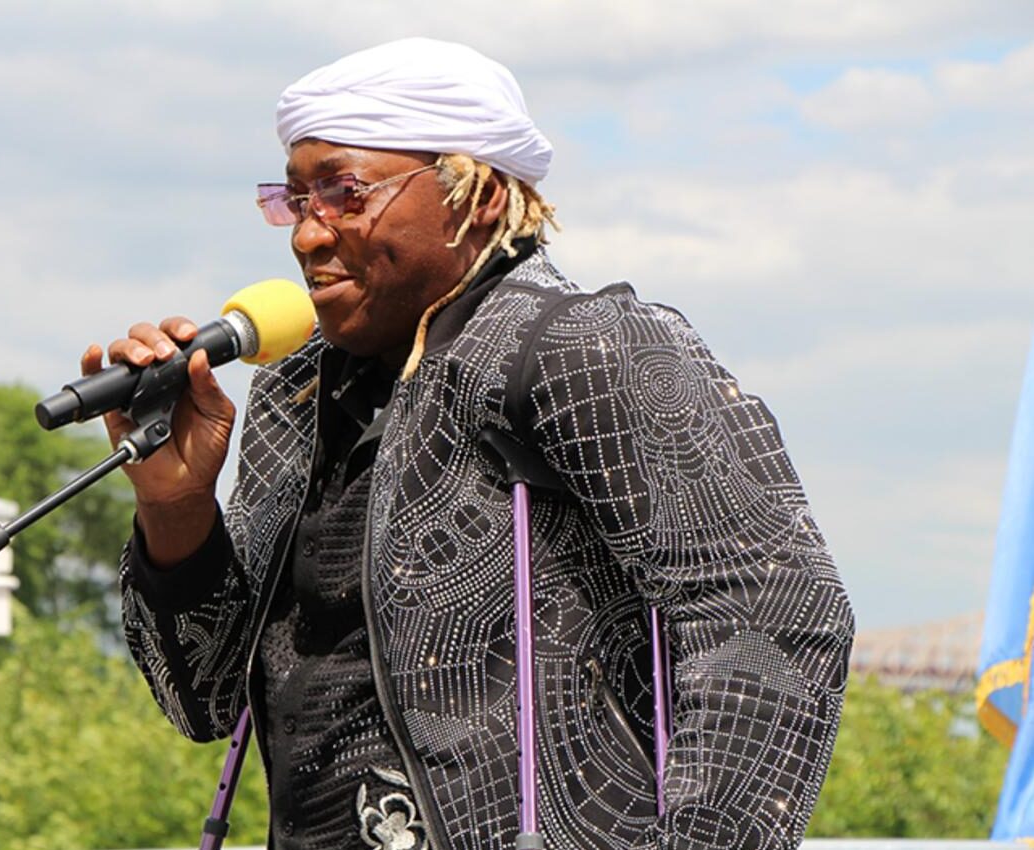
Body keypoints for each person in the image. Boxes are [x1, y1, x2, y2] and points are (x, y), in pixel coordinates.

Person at [82, 38, 854, 850]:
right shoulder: (297, 389)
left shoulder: (581, 346)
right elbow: (205, 700)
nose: (307, 236)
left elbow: (777, 611)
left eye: (343, 193)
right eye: (294, 199)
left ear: (476, 196)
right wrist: (175, 508)